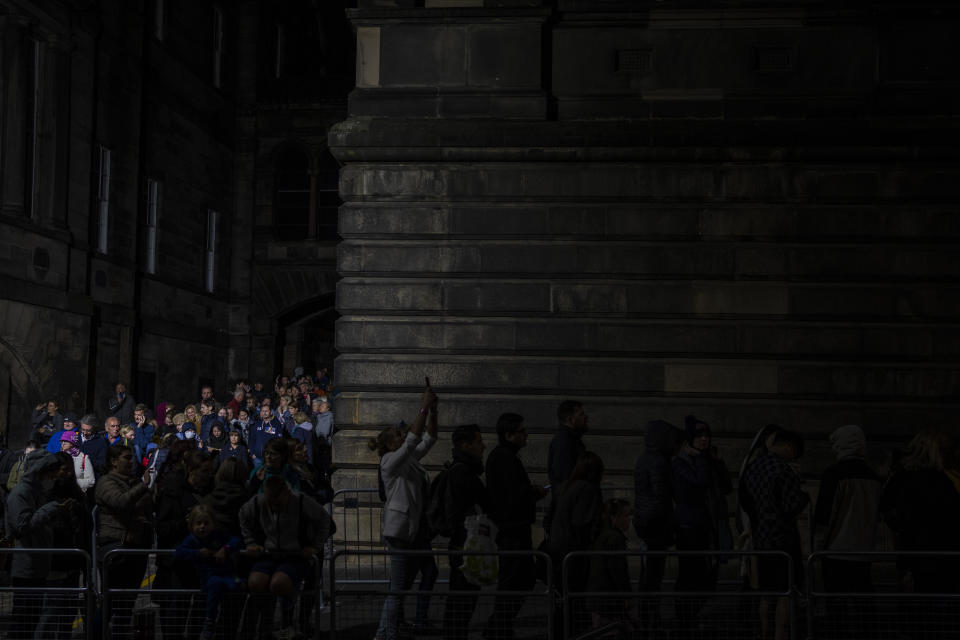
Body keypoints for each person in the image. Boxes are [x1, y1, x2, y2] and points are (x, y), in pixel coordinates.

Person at [370, 381, 439, 640]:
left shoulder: (407, 460)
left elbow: (429, 438)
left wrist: (433, 411)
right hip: (400, 531)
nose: (403, 434)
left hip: (412, 530)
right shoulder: (389, 462)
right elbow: (413, 440)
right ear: (388, 446)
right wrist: (422, 406)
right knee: (398, 588)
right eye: (397, 435)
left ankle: (394, 627)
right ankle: (384, 633)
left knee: (402, 585)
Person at [239, 475, 333, 640]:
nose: (274, 506)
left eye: (278, 502)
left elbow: (325, 520)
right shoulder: (258, 502)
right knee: (256, 582)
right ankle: (265, 626)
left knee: (279, 583)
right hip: (269, 553)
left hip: (294, 554)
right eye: (270, 502)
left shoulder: (302, 501)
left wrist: (315, 546)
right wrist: (250, 542)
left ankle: (286, 622)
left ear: (287, 493)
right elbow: (243, 516)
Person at [739, 429, 809, 640]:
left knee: (766, 592)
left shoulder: (752, 468)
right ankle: (780, 634)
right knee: (785, 592)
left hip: (761, 538)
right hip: (783, 540)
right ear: (788, 447)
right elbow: (791, 505)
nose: (793, 457)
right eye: (794, 453)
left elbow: (745, 501)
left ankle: (765, 631)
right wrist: (803, 496)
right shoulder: (783, 470)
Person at [483, 412, 547, 640]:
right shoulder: (504, 458)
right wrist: (533, 493)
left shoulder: (505, 456)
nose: (526, 434)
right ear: (509, 434)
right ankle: (498, 626)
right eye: (521, 431)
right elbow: (513, 496)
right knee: (514, 580)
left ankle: (500, 625)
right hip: (512, 529)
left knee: (521, 578)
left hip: (514, 528)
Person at [813, 424, 881, 636]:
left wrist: (817, 545)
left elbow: (825, 514)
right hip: (864, 549)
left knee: (836, 606)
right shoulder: (873, 476)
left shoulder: (834, 474)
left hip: (836, 550)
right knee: (863, 605)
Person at [881, 428, 960, 594]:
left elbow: (889, 511)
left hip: (916, 554)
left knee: (917, 607)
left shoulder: (904, 478)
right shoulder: (942, 481)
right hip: (940, 555)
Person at [671, 415, 733, 627]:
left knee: (709, 573)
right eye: (699, 436)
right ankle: (685, 617)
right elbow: (700, 481)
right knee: (691, 573)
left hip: (709, 524)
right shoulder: (680, 462)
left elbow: (726, 486)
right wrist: (698, 458)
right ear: (690, 440)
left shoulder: (709, 460)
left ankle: (691, 613)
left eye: (707, 435)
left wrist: (718, 462)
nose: (704, 440)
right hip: (689, 527)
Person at [5, 450, 72, 639]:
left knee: (31, 618)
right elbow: (21, 526)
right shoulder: (21, 493)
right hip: (26, 565)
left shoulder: (36, 491)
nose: (52, 477)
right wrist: (49, 509)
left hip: (38, 564)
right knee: (23, 619)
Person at [545, 450, 605, 637]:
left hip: (556, 550)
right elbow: (581, 523)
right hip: (574, 552)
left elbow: (548, 520)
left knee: (563, 599)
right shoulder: (587, 489)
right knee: (576, 598)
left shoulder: (563, 487)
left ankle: (560, 632)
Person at [95, 446, 153, 634]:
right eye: (126, 458)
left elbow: (144, 505)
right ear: (113, 461)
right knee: (111, 601)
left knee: (127, 603)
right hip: (116, 547)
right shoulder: (106, 482)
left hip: (136, 546)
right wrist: (143, 486)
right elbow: (120, 502)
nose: (131, 462)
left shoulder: (132, 481)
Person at [442, 423, 490, 640]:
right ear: (465, 445)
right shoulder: (463, 473)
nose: (483, 446)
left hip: (463, 544)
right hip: (464, 545)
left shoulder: (463, 470)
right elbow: (483, 503)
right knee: (462, 603)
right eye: (479, 441)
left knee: (461, 603)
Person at [633, 419, 682, 632]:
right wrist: (670, 525)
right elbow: (661, 496)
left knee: (649, 575)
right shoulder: (659, 462)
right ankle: (649, 618)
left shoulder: (645, 458)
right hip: (656, 525)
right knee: (653, 576)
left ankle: (648, 616)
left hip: (646, 521)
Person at [174, 504, 244, 640]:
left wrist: (226, 549)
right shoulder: (191, 540)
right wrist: (197, 553)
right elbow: (179, 553)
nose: (202, 527)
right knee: (215, 585)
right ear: (192, 525)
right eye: (198, 523)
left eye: (206, 523)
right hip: (209, 578)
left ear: (213, 524)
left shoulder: (218, 535)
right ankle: (210, 620)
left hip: (227, 575)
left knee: (239, 584)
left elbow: (236, 540)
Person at [586, 498, 639, 639]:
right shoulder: (615, 539)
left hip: (599, 599)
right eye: (626, 515)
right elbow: (618, 571)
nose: (629, 519)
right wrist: (627, 597)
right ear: (614, 517)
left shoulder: (603, 535)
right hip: (608, 601)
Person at [547, 400, 589, 489]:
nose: (585, 417)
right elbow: (565, 478)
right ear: (570, 419)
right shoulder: (564, 442)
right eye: (581, 414)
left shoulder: (571, 440)